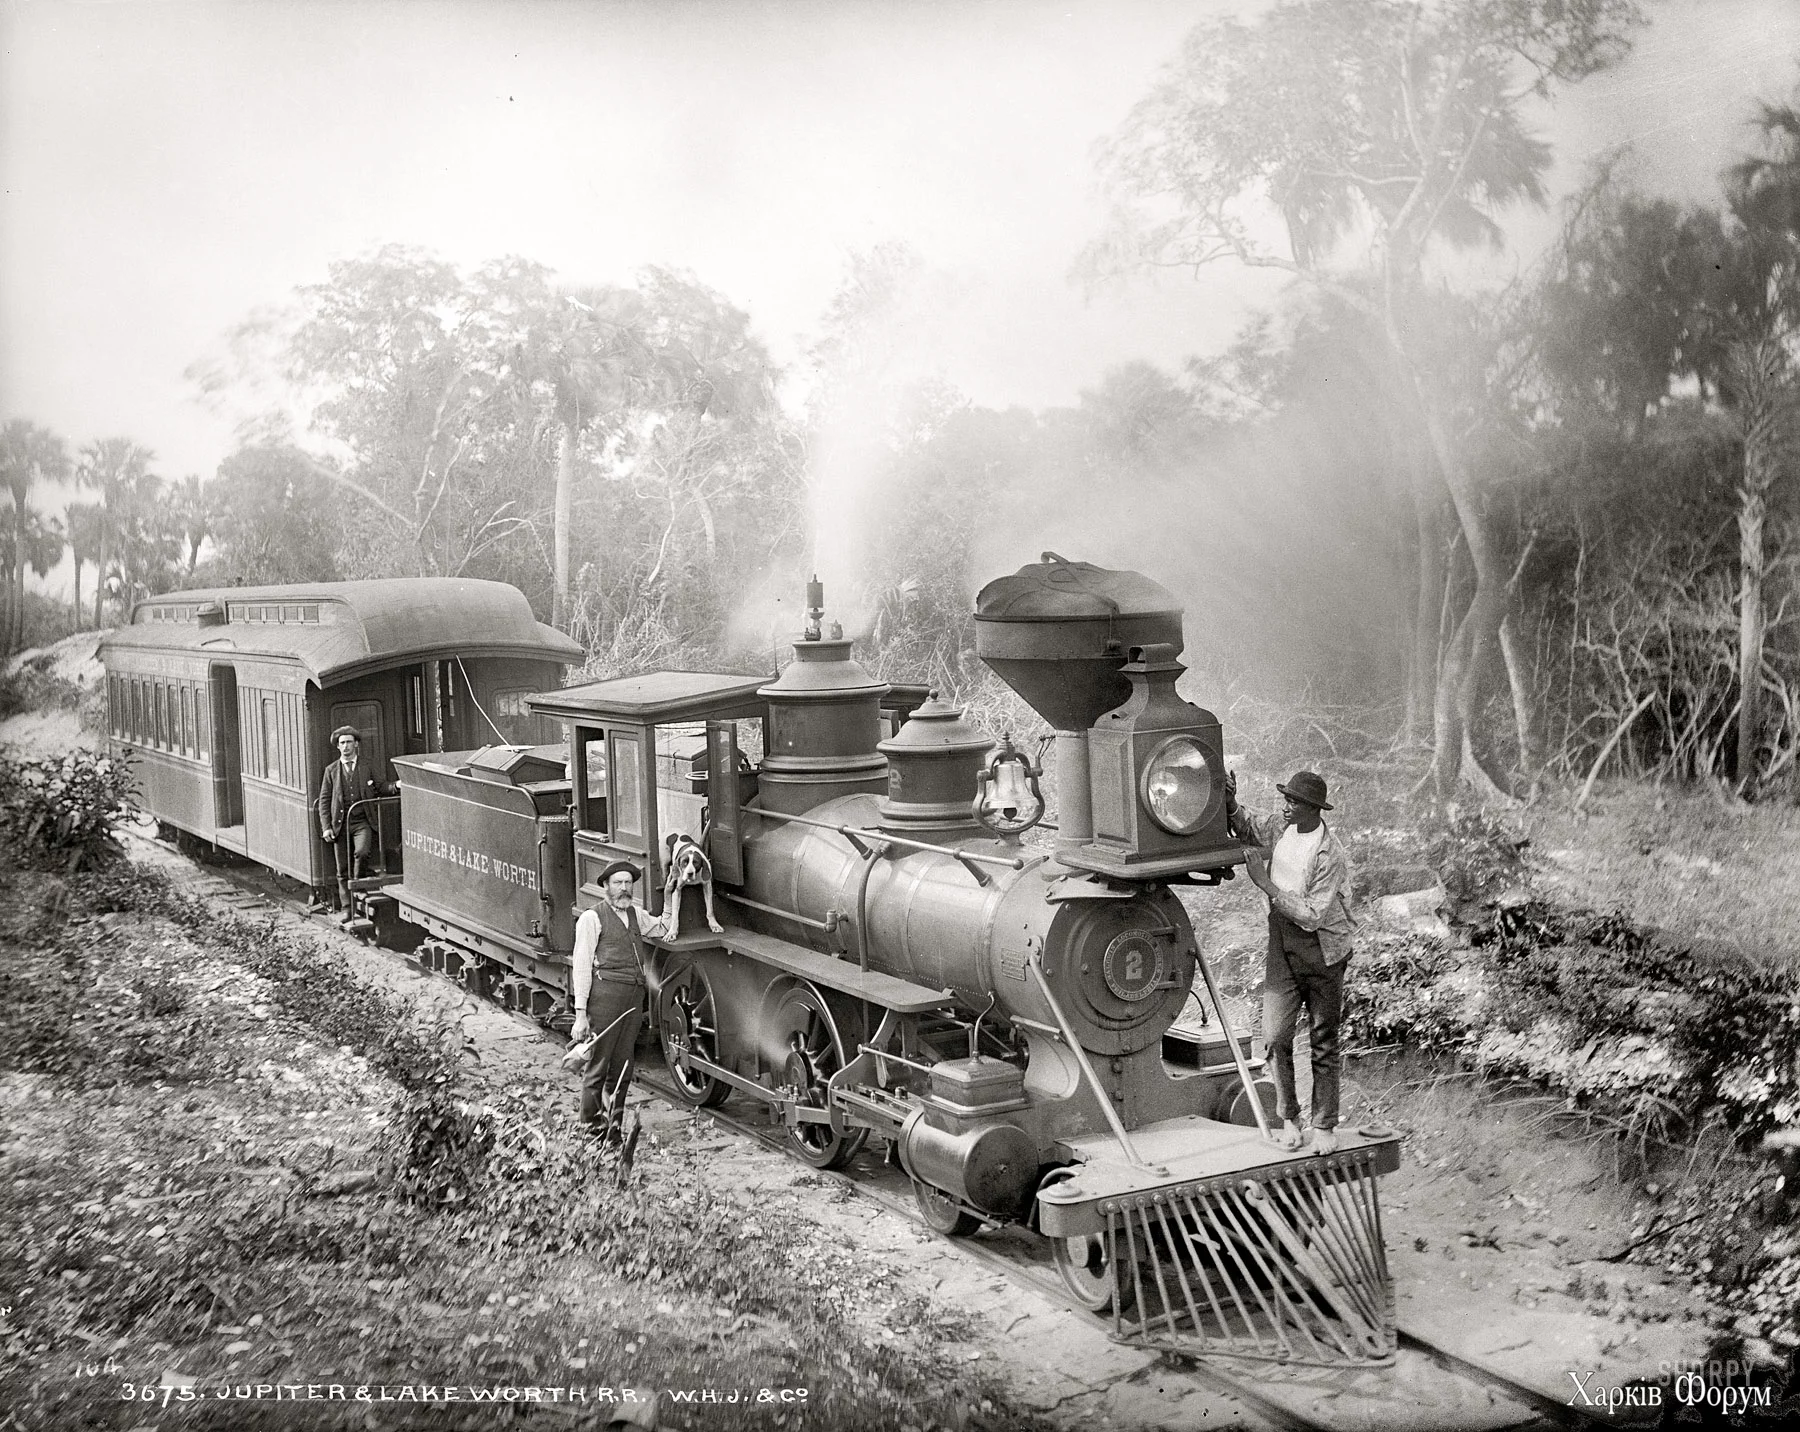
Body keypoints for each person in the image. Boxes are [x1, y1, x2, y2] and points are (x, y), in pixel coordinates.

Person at [1226, 769, 1356, 1156]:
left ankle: (1325, 1126)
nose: (1286, 807)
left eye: (1294, 802)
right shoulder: (1282, 828)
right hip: (1283, 942)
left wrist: (1264, 883)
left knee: (1323, 1040)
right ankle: (1289, 1118)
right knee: (1275, 1036)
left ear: (1314, 809)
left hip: (1322, 949)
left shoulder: (1329, 854)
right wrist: (1230, 803)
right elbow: (1248, 825)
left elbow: (1313, 914)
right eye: (1286, 799)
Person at [569, 860, 673, 1137]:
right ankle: (589, 1128)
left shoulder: (636, 915)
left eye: (628, 882)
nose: (624, 888)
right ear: (606, 886)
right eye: (618, 883)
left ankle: (613, 1126)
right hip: (605, 998)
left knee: (623, 1067)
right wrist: (580, 1014)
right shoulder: (591, 918)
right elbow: (581, 966)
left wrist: (670, 895)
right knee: (598, 1065)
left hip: (633, 1000)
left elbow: (663, 927)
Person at [316, 726, 396, 922]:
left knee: (361, 852)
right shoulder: (331, 771)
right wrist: (326, 827)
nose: (346, 746)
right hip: (340, 825)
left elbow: (381, 786)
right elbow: (324, 800)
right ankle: (347, 908)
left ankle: (359, 887)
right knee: (342, 869)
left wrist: (396, 786)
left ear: (356, 744)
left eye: (349, 742)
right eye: (342, 743)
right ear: (338, 746)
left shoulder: (367, 766)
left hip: (362, 822)